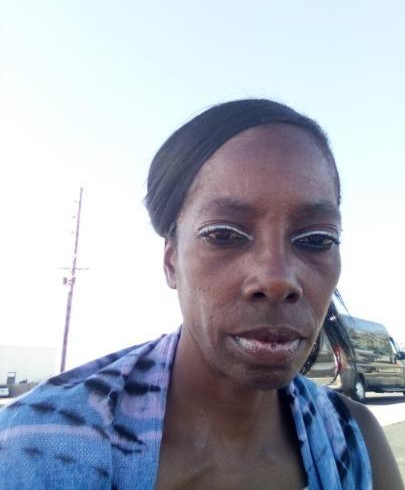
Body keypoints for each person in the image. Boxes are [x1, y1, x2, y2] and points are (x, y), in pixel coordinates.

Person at [0, 99, 402, 490]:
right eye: (224, 235)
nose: (278, 280)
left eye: (317, 239)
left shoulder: (356, 444)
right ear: (171, 261)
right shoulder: (35, 449)